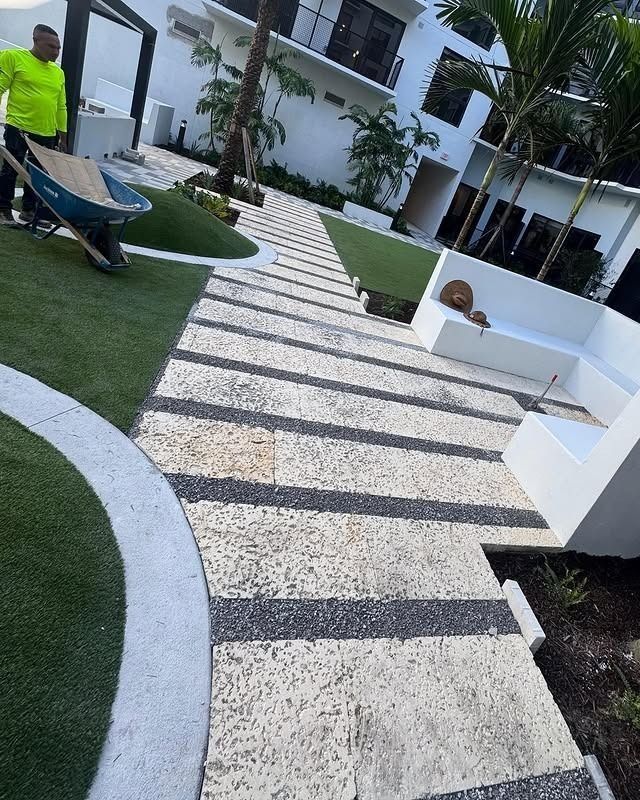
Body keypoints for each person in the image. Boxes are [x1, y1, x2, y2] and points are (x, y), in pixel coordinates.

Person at [0, 24, 67, 226]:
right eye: (51, 47)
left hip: (46, 133)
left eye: (58, 48)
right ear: (36, 41)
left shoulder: (58, 72)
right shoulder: (13, 57)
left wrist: (63, 136)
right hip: (19, 128)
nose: (55, 52)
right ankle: (3, 209)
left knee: (38, 175)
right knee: (11, 170)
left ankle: (30, 211)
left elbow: (61, 105)